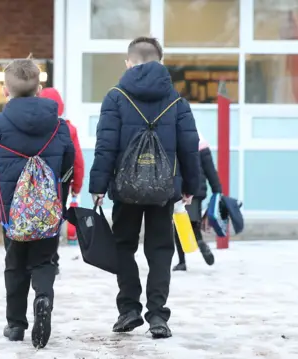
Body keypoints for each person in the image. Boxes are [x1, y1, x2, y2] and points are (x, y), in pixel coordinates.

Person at [89, 37, 200, 339]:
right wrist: (191, 186)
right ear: (160, 62)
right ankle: (158, 316)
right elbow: (190, 148)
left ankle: (128, 310)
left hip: (125, 189)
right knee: (161, 249)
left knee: (123, 246)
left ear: (129, 62)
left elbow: (105, 146)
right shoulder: (177, 101)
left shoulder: (115, 98)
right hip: (164, 191)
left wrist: (98, 185)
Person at [0, 58, 75, 349]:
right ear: (39, 88)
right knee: (44, 260)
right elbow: (68, 163)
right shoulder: (59, 126)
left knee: (15, 264)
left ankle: (15, 325)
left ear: (6, 90)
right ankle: (42, 298)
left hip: (11, 212)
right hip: (47, 210)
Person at [39, 87, 84, 275]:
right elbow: (77, 160)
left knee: (37, 217)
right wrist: (76, 186)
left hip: (36, 181)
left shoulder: (32, 127)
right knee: (55, 220)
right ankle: (52, 259)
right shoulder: (68, 128)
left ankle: (37, 257)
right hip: (61, 183)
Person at [173, 132, 220, 270]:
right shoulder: (201, 141)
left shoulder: (176, 137)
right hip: (198, 190)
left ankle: (183, 261)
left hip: (182, 188)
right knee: (193, 223)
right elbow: (210, 169)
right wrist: (217, 190)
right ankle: (200, 243)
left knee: (179, 225)